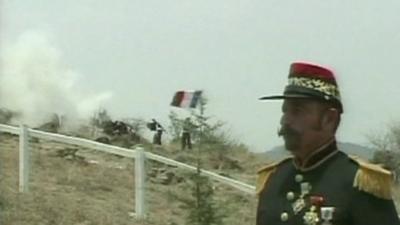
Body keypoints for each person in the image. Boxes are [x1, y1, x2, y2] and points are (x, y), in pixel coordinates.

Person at [256, 62, 400, 225]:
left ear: (329, 119)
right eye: (285, 110)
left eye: (297, 111)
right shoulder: (274, 179)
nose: (286, 120)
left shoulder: (358, 183)